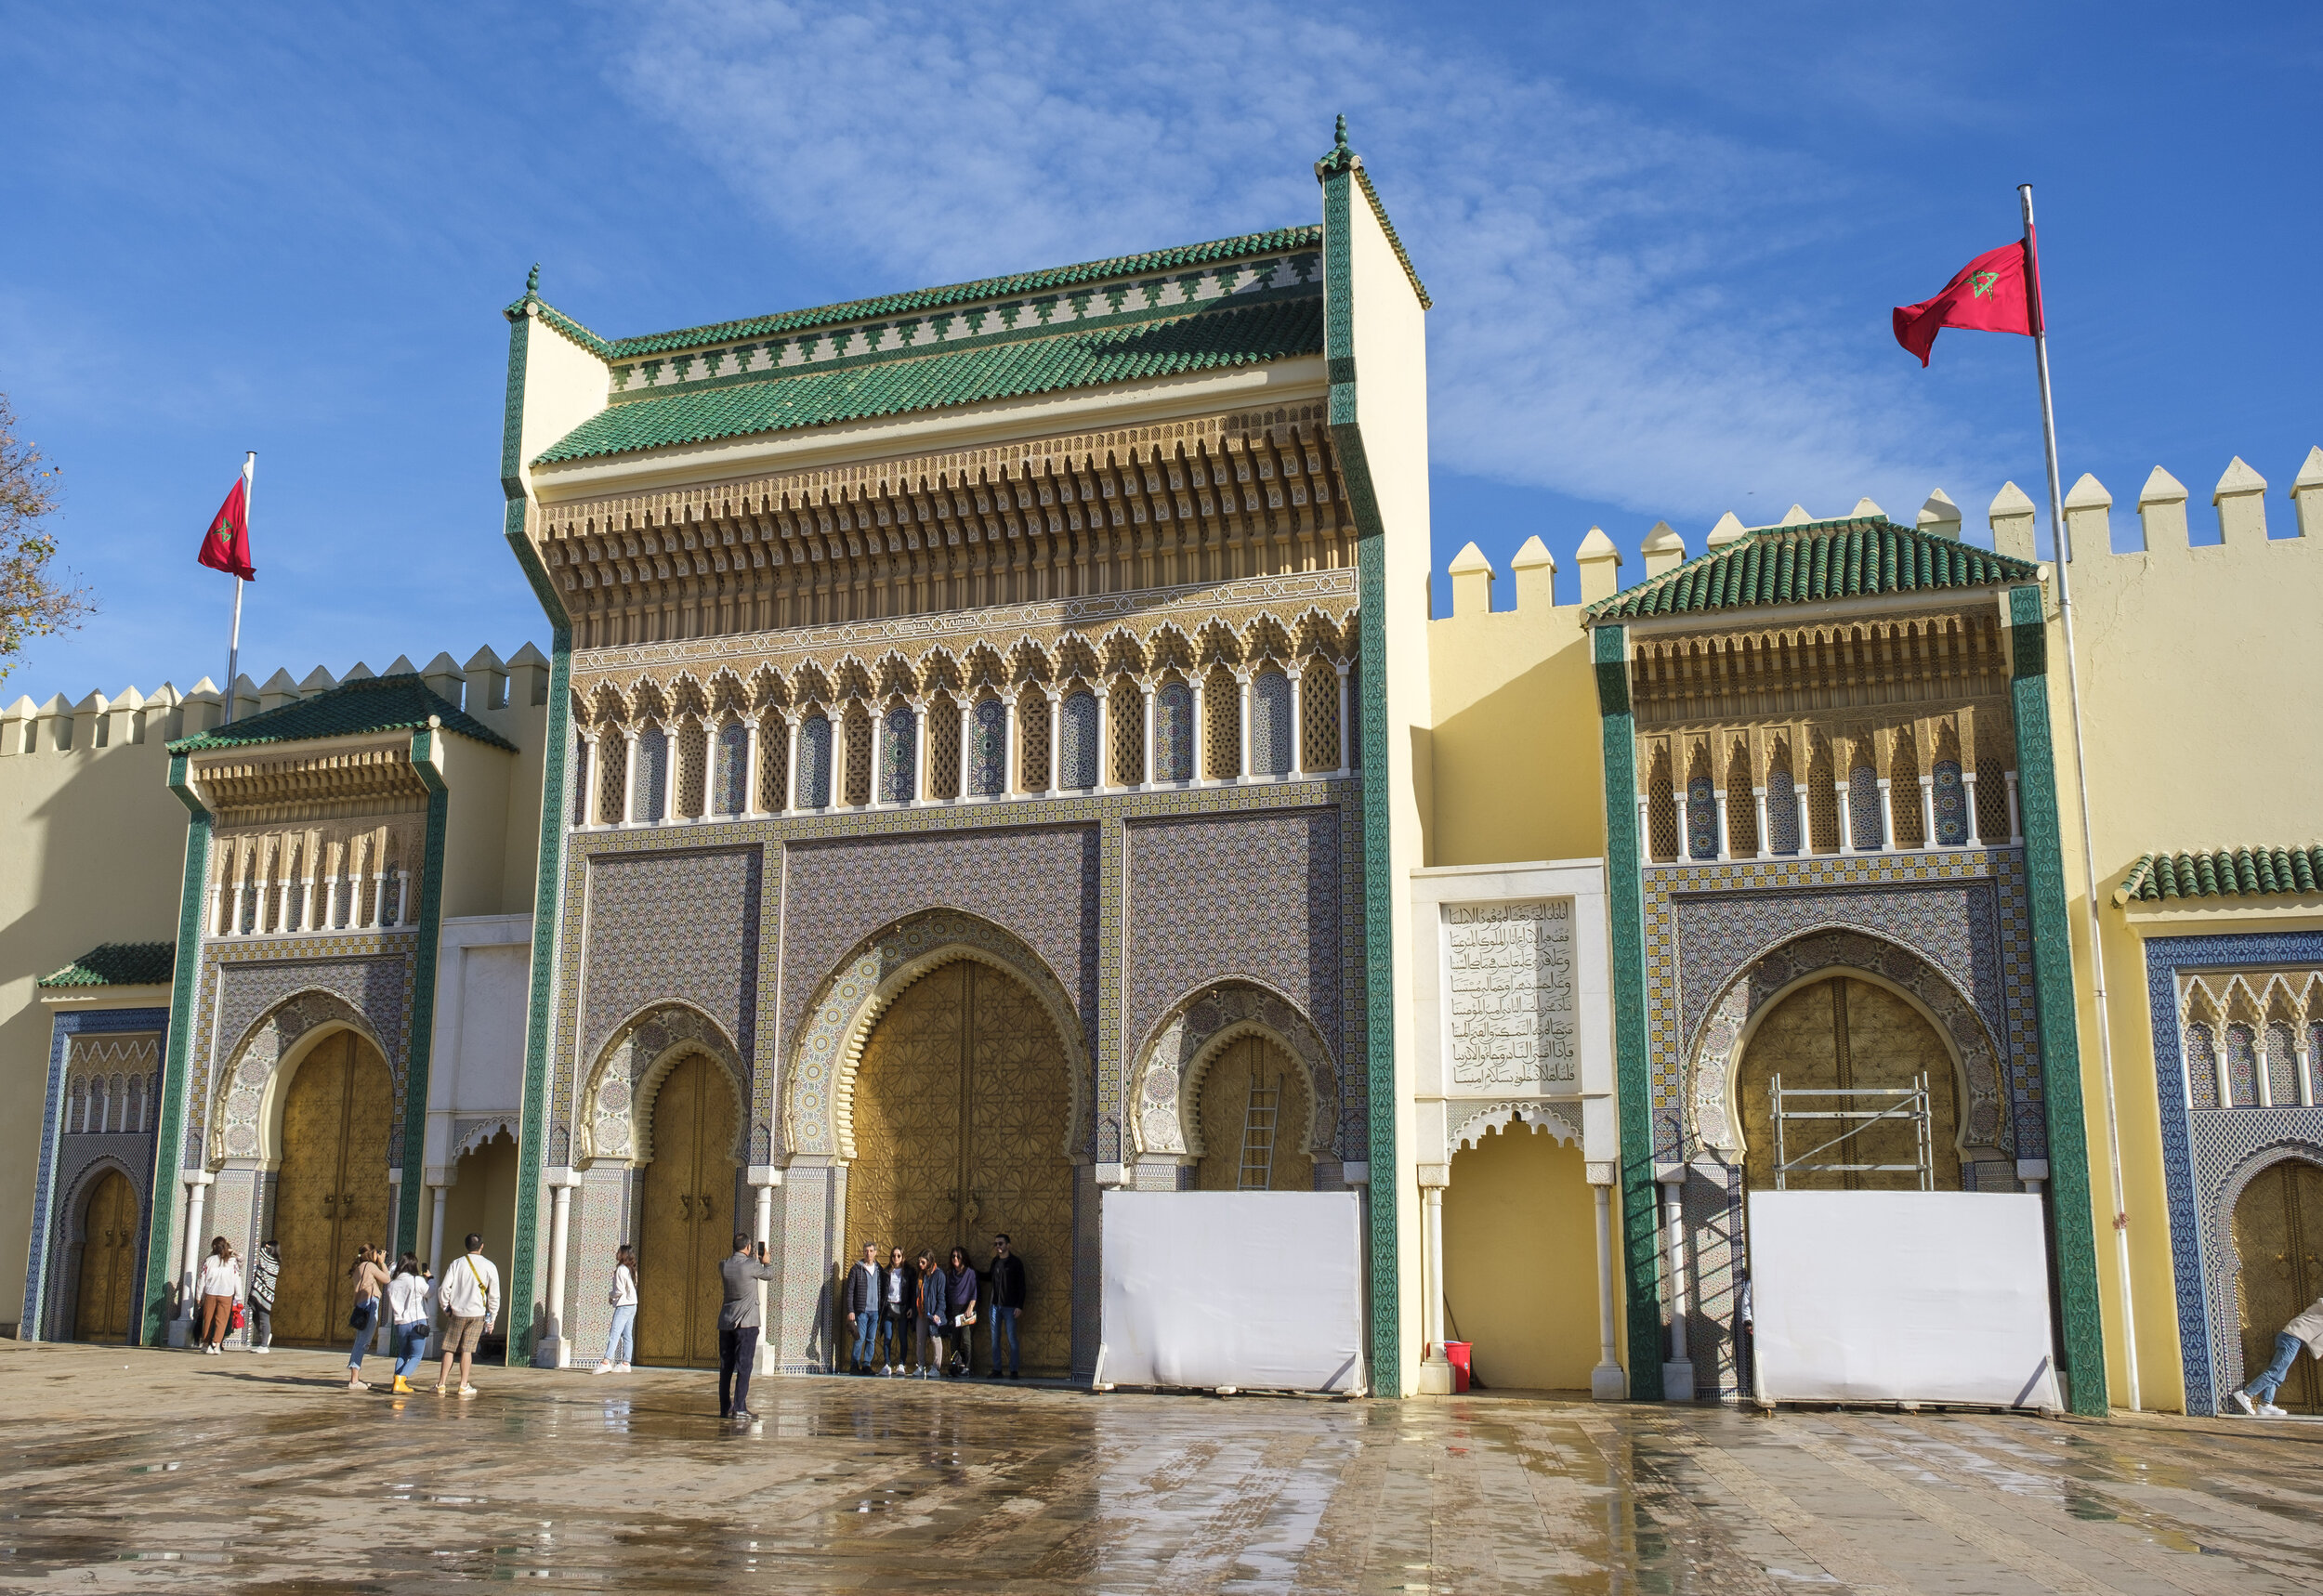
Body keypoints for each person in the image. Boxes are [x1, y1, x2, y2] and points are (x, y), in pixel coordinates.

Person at [2233, 1290, 2323, 1417]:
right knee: (2276, 1371)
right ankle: (2246, 1394)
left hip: (2292, 1339)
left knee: (2279, 1374)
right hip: (2291, 1338)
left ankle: (2266, 1405)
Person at [718, 1234, 776, 1421]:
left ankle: (725, 1407)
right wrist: (766, 1261)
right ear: (749, 1247)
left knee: (726, 1367)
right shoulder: (751, 1265)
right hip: (746, 1323)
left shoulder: (724, 1265)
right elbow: (769, 1275)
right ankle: (740, 1407)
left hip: (726, 1321)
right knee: (744, 1366)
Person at [435, 1232, 500, 1397]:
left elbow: (444, 1288)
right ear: (482, 1246)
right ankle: (463, 1385)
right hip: (477, 1313)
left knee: (449, 1348)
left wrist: (446, 1308)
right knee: (467, 1350)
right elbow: (494, 1295)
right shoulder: (489, 1265)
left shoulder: (457, 1264)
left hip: (457, 1312)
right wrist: (492, 1318)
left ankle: (441, 1383)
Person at [385, 1253, 433, 1395]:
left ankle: (396, 1381)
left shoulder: (392, 1284)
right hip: (417, 1322)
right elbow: (430, 1293)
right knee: (416, 1355)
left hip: (400, 1323)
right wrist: (430, 1278)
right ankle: (401, 1380)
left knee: (403, 1353)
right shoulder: (417, 1280)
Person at [345, 1244, 389, 1390]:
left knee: (360, 1341)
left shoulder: (359, 1268)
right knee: (363, 1343)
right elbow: (387, 1279)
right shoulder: (369, 1266)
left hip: (361, 1305)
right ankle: (354, 1380)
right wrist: (382, 1263)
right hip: (370, 1305)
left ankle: (355, 1377)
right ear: (371, 1254)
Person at [987, 1233, 1026, 1380]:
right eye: (996, 1244)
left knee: (1011, 1338)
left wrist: (1019, 1306)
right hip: (995, 1306)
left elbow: (1022, 1286)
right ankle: (997, 1369)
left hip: (1010, 1307)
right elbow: (989, 1278)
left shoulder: (1015, 1263)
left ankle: (1014, 1370)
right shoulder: (995, 1262)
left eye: (1000, 1244)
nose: (998, 1247)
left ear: (1008, 1245)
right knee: (995, 1339)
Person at [595, 1243, 638, 1374]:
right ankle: (626, 1363)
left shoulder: (620, 1269)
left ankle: (606, 1362)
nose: (616, 1253)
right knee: (627, 1335)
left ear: (623, 1255)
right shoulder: (631, 1269)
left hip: (624, 1305)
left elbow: (619, 1291)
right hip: (632, 1305)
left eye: (618, 1252)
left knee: (615, 1333)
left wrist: (610, 1296)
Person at [193, 1236, 242, 1355]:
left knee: (208, 1319)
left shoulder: (209, 1260)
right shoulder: (231, 1261)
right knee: (222, 1320)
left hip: (211, 1293)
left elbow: (202, 1279)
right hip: (226, 1294)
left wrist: (199, 1295)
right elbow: (237, 1279)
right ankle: (217, 1344)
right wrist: (239, 1296)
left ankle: (205, 1344)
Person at [844, 1242, 882, 1376]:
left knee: (871, 1339)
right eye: (866, 1251)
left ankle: (867, 1364)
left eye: (871, 1251)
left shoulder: (879, 1269)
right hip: (862, 1311)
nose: (868, 1253)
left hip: (875, 1311)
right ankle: (854, 1365)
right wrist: (851, 1310)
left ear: (875, 1252)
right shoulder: (856, 1269)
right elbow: (849, 1292)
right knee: (859, 1338)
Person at [878, 1245, 912, 1375]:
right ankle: (887, 1364)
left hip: (902, 1307)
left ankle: (901, 1364)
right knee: (888, 1336)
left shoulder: (908, 1273)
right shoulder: (886, 1272)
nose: (896, 1258)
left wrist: (910, 1308)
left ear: (903, 1257)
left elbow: (911, 1292)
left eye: (898, 1255)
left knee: (902, 1337)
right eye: (894, 1255)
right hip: (888, 1307)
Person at [945, 1246, 978, 1377]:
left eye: (958, 1256)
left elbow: (974, 1292)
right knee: (954, 1340)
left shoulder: (970, 1273)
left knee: (966, 1339)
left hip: (965, 1310)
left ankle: (969, 1367)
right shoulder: (950, 1274)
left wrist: (970, 1308)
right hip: (953, 1309)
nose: (955, 1259)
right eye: (953, 1256)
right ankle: (955, 1366)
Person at [912, 1249, 943, 1380]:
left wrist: (939, 1312)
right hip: (922, 1311)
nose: (920, 1264)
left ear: (930, 1262)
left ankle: (936, 1367)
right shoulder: (921, 1276)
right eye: (919, 1262)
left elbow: (941, 1296)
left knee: (935, 1339)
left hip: (933, 1313)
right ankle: (921, 1365)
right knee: (920, 1339)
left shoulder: (938, 1275)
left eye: (923, 1262)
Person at [246, 1239, 280, 1354]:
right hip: (259, 1292)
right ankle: (264, 1336)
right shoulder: (273, 1261)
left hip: (265, 1294)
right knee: (256, 1316)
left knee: (264, 1319)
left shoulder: (271, 1260)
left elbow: (259, 1252)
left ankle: (264, 1344)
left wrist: (263, 1245)